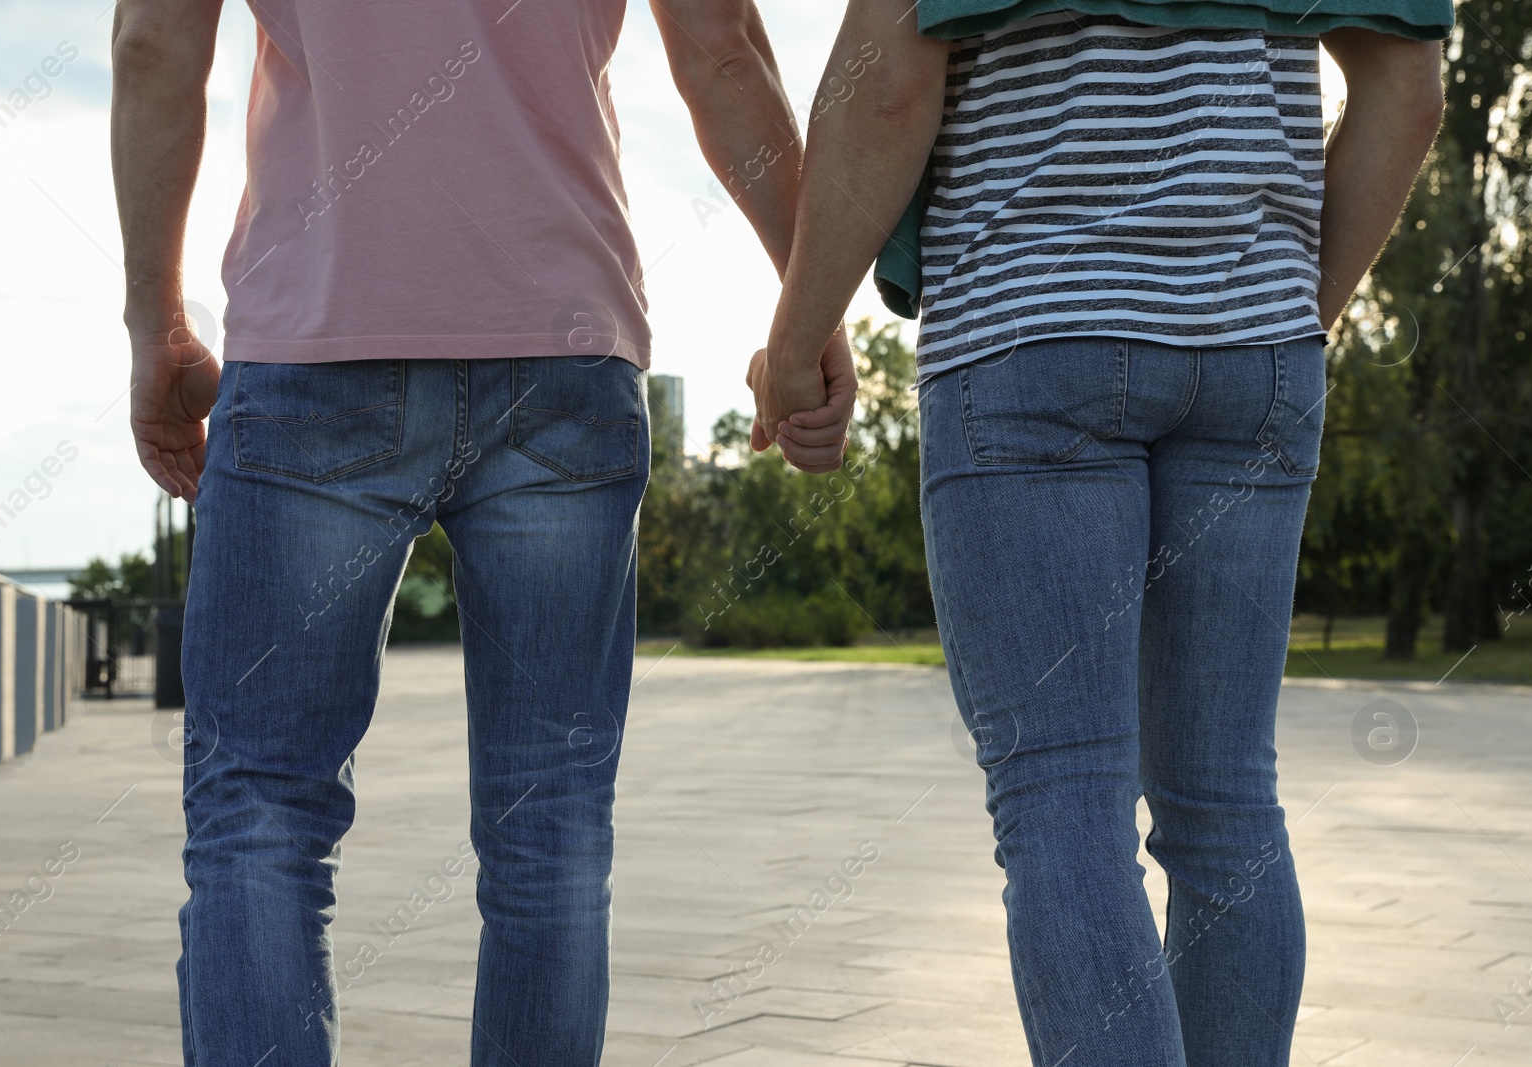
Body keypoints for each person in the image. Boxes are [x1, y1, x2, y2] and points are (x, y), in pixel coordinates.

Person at [109, 1, 851, 1064]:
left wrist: (156, 327)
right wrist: (807, 302)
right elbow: (720, 47)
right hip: (564, 345)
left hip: (318, 345)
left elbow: (152, 47)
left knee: (259, 813)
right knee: (550, 831)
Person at [751, 0, 1447, 1063]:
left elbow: (893, 72)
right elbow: (1407, 86)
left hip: (1032, 327)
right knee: (1224, 803)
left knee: (1064, 807)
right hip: (1252, 343)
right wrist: (1282, 326)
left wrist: (798, 334)